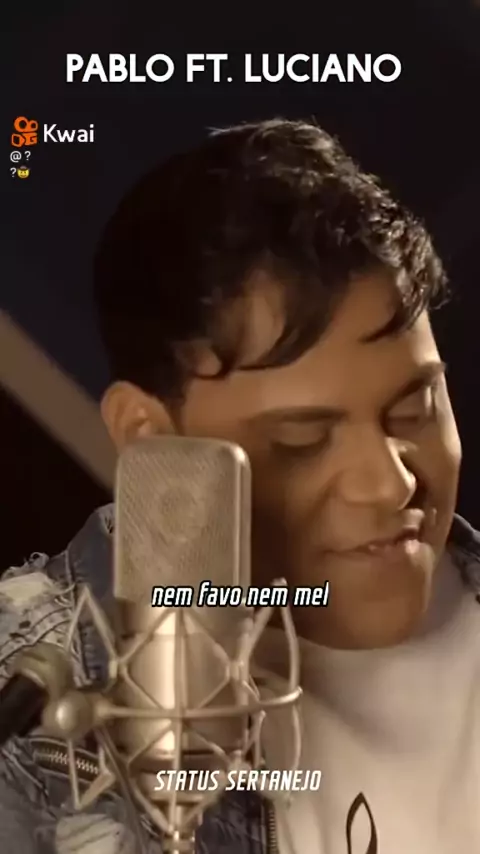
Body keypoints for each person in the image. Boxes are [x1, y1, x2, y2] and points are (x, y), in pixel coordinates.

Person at [0, 117, 479, 854]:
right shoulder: (24, 710)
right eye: (303, 440)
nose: (390, 485)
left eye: (415, 408)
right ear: (149, 435)